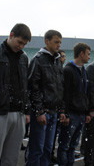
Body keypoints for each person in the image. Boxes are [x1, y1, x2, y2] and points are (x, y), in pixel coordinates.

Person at [0, 23, 31, 166]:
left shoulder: (23, 58)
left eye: (24, 44)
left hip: (19, 112)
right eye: (19, 42)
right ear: (11, 35)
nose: (21, 46)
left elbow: (25, 85)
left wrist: (26, 110)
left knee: (12, 157)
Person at [27, 30, 66, 166]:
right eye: (56, 42)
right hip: (42, 113)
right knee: (37, 149)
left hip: (54, 113)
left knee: (48, 149)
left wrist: (61, 110)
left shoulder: (57, 62)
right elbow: (33, 87)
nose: (58, 45)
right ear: (47, 41)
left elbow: (60, 87)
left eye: (60, 42)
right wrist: (39, 111)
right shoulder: (38, 60)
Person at [57, 43, 92, 166]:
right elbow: (65, 94)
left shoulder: (84, 71)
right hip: (71, 115)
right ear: (81, 54)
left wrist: (87, 112)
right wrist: (64, 113)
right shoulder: (68, 70)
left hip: (81, 115)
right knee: (64, 146)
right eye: (88, 54)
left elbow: (85, 94)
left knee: (73, 146)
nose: (89, 57)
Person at [50, 49, 66, 165]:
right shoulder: (56, 70)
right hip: (50, 108)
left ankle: (50, 155)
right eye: (62, 56)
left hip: (57, 108)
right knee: (43, 141)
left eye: (64, 56)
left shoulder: (62, 71)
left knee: (52, 137)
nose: (63, 58)